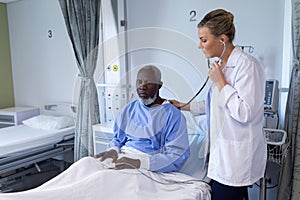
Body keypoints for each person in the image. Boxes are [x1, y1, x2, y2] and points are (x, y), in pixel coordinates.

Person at [170, 9, 267, 200]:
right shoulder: (221, 65)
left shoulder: (247, 66)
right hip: (221, 157)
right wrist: (183, 105)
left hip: (235, 159)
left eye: (203, 40)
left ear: (222, 39)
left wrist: (221, 82)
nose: (199, 46)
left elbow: (244, 112)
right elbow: (213, 105)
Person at [94, 65, 190, 172]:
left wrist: (139, 163)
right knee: (85, 166)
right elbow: (117, 139)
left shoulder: (173, 115)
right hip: (122, 157)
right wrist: (113, 150)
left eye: (148, 82)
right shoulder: (128, 110)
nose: (142, 86)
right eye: (139, 82)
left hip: (148, 163)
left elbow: (176, 156)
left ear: (159, 85)